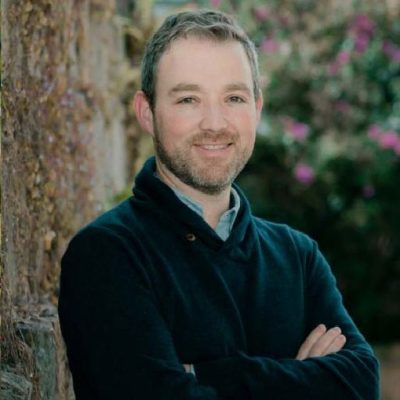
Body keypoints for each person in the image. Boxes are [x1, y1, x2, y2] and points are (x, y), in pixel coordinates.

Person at [58, 9, 379, 400]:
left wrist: (209, 374)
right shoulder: (107, 254)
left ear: (256, 109)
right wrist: (303, 379)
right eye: (188, 99)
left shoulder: (298, 257)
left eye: (233, 98)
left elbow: (361, 381)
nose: (214, 123)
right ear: (147, 113)